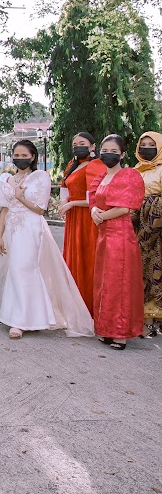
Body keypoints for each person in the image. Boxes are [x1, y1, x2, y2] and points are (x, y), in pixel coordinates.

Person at [0, 140, 94, 340]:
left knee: (25, 269)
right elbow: (4, 210)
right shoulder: (5, 178)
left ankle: (21, 321)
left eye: (24, 155)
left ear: (33, 157)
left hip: (30, 228)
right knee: (13, 270)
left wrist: (20, 197)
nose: (20, 159)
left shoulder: (40, 177)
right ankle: (21, 316)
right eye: (16, 155)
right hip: (11, 229)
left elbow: (40, 209)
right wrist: (0, 236)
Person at [89, 134, 146, 350]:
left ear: (122, 154)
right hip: (104, 235)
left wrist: (101, 216)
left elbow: (124, 208)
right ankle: (106, 329)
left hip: (121, 236)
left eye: (114, 151)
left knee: (119, 284)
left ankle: (120, 334)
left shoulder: (129, 176)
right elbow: (93, 201)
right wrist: (94, 211)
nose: (108, 154)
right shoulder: (101, 177)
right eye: (105, 151)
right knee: (104, 283)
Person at [58, 132, 105, 313]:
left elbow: (95, 198)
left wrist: (72, 203)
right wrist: (65, 202)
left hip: (87, 217)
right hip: (73, 217)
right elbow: (64, 188)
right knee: (72, 257)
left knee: (87, 258)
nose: (78, 147)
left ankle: (89, 306)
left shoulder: (96, 165)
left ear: (93, 146)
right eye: (75, 144)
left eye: (82, 143)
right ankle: (74, 307)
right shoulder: (72, 164)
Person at [135, 131, 162, 333]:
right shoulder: (135, 170)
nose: (146, 149)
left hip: (157, 230)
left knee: (157, 272)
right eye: (143, 145)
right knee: (140, 271)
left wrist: (151, 204)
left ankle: (156, 319)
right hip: (136, 228)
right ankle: (144, 319)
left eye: (151, 145)